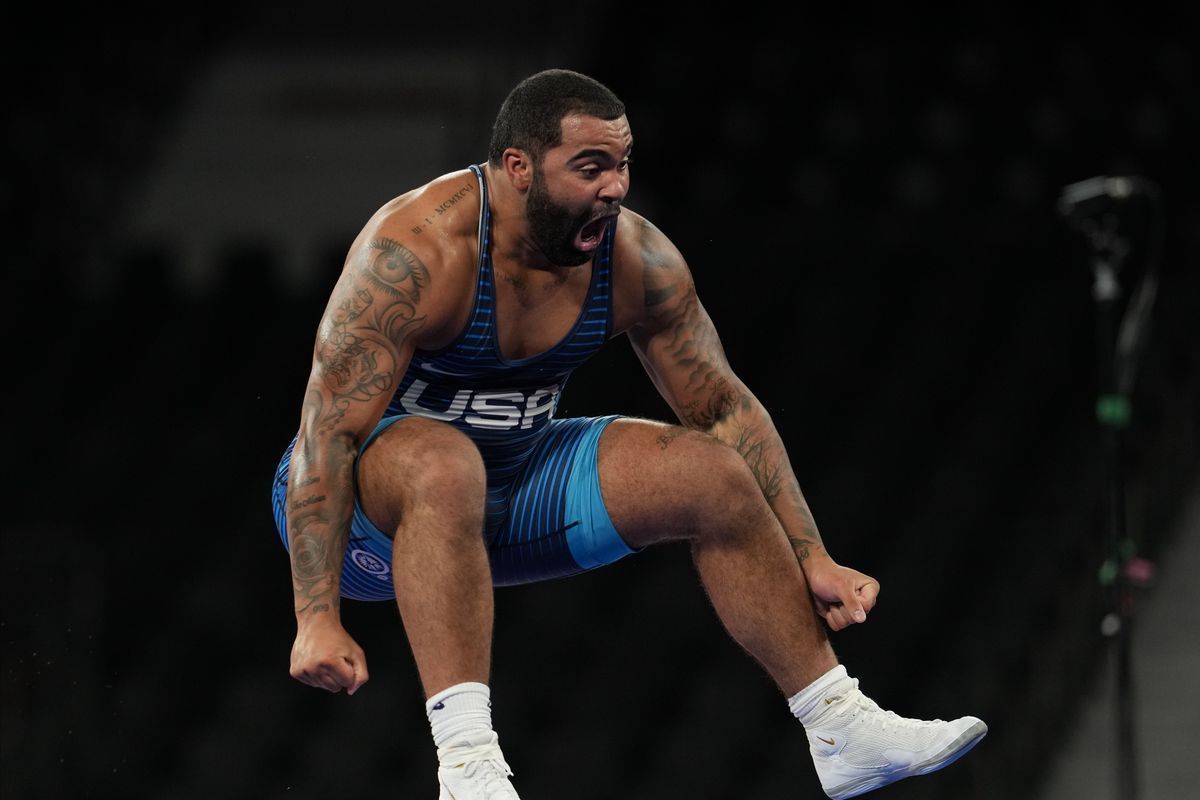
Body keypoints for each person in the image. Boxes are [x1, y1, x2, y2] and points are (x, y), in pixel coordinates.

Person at [270, 68, 986, 800]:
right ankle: (468, 769)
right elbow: (327, 434)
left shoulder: (637, 259)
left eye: (622, 165)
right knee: (446, 463)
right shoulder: (415, 253)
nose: (615, 188)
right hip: (370, 516)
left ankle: (841, 725)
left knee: (710, 471)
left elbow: (724, 410)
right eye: (590, 168)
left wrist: (812, 554)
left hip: (510, 489)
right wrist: (316, 616)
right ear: (518, 167)